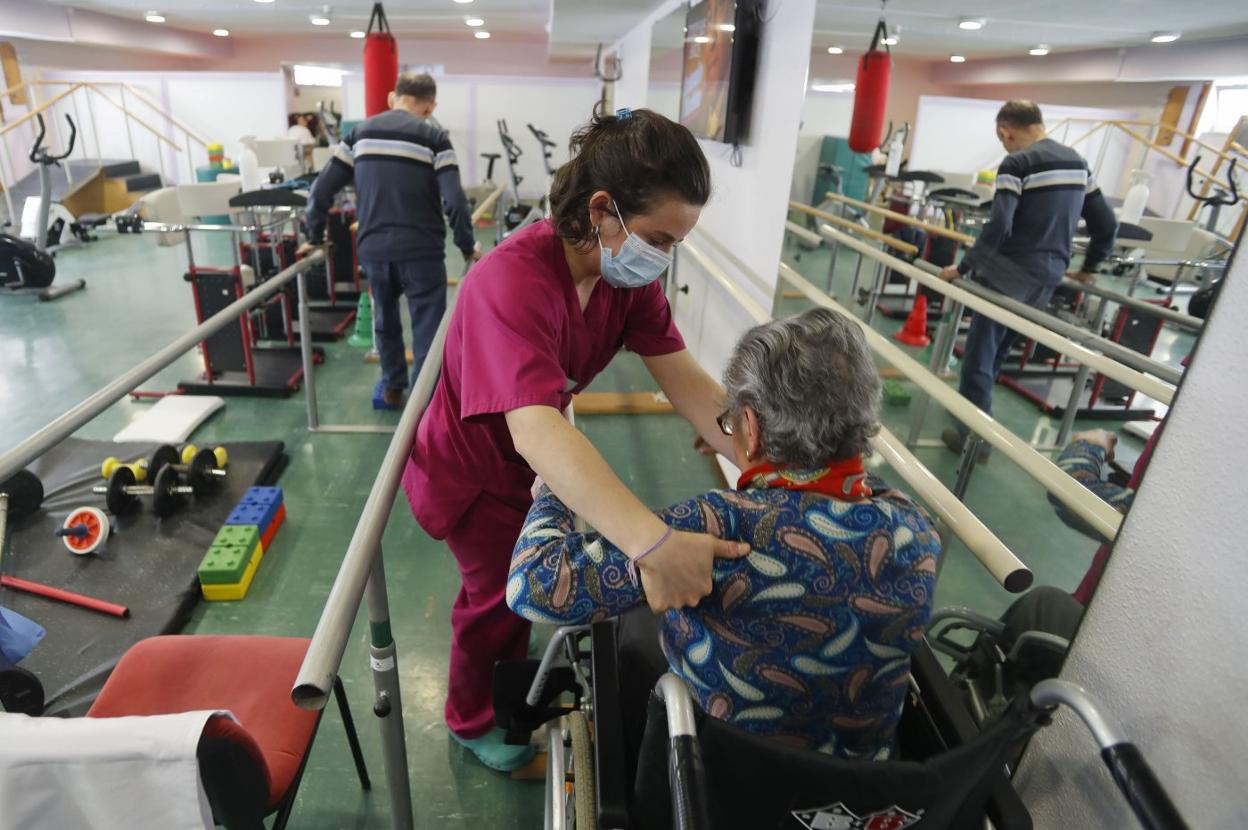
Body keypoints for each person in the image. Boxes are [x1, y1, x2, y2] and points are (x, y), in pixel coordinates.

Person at [403, 106, 752, 772]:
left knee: (514, 598)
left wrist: (757, 454)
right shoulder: (509, 281)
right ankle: (474, 723)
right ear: (602, 210)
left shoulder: (627, 281)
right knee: (492, 603)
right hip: (475, 472)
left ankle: (502, 678)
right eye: (661, 237)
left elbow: (682, 375)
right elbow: (534, 426)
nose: (665, 256)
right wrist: (653, 544)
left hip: (533, 462)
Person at [509, 307, 943, 760]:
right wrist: (753, 455)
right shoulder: (914, 530)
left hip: (718, 778)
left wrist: (553, 490)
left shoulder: (718, 527)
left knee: (630, 632)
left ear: (751, 429)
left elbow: (531, 586)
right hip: (857, 790)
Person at [938, 100, 1118, 457]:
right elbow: (1107, 224)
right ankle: (978, 424)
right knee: (997, 356)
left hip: (1006, 276)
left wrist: (963, 267)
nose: (1004, 145)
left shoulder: (1016, 163)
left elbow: (1001, 224)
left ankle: (974, 442)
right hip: (1046, 279)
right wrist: (1090, 267)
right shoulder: (1077, 163)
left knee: (978, 360)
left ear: (1005, 131)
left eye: (1002, 139)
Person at [302, 73, 478, 408]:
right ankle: (424, 404)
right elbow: (455, 202)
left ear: (391, 97)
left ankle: (393, 384)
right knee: (428, 326)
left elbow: (321, 190)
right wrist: (467, 246)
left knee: (385, 318)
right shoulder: (435, 138)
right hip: (422, 252)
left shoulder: (359, 135)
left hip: (374, 250)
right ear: (431, 105)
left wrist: (313, 235)